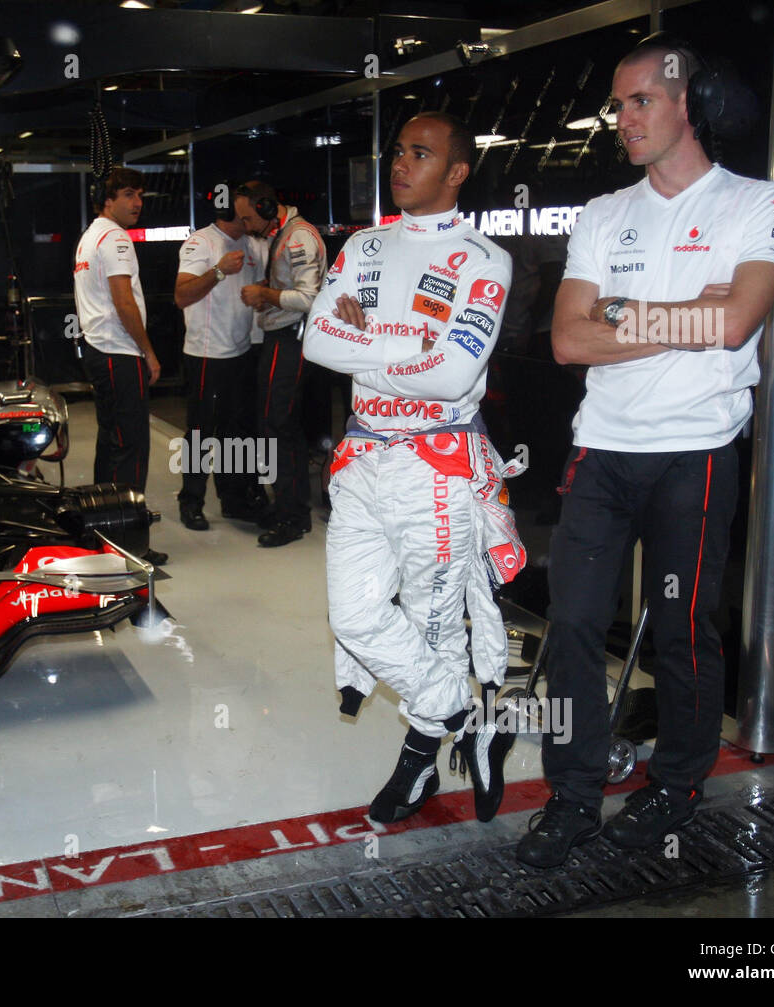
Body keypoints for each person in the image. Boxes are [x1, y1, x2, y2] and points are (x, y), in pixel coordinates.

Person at [515, 35, 774, 868]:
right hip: (602, 451)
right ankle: (571, 797)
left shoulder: (757, 202)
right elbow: (567, 340)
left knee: (682, 629)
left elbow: (737, 321)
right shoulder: (605, 213)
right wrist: (687, 313)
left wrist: (627, 315)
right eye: (619, 104)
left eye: (640, 100)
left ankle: (676, 785)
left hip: (696, 454)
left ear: (686, 102)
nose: (623, 118)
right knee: (570, 626)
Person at [304, 111, 524, 824]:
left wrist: (370, 348)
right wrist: (413, 359)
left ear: (457, 172)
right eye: (399, 151)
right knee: (357, 618)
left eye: (420, 154)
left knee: (435, 632)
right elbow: (316, 339)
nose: (401, 163)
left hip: (436, 467)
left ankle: (416, 767)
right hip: (363, 456)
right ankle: (470, 714)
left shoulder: (485, 259)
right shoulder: (363, 244)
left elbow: (455, 370)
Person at [74, 166, 167, 565]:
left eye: (140, 195)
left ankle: (101, 532)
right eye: (128, 194)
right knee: (131, 449)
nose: (137, 203)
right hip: (119, 350)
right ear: (106, 200)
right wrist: (148, 351)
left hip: (101, 350)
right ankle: (128, 543)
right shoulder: (115, 238)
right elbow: (124, 302)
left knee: (110, 443)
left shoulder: (90, 236)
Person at [235, 180, 327, 547]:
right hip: (282, 338)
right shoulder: (284, 232)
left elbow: (311, 298)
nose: (244, 226)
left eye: (246, 218)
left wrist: (265, 294)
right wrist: (269, 293)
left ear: (266, 206)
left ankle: (294, 515)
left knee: (279, 425)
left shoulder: (300, 236)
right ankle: (287, 504)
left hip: (292, 341)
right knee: (274, 424)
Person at [172, 184, 268, 529]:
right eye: (244, 211)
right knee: (201, 431)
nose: (251, 217)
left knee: (236, 432)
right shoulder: (201, 243)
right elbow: (181, 296)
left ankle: (234, 499)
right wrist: (218, 271)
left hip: (242, 350)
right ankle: (191, 501)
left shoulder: (254, 245)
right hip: (206, 353)